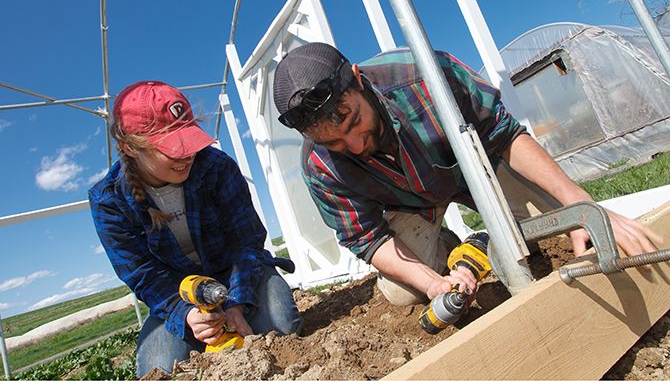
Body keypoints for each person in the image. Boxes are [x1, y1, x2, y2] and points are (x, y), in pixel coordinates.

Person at [272, 42, 663, 306]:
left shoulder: (425, 75)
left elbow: (505, 135)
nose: (356, 146)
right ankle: (450, 243)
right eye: (338, 143)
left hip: (482, 168)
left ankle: (504, 225)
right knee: (401, 294)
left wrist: (577, 202)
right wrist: (432, 283)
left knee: (574, 222)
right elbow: (368, 239)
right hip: (411, 207)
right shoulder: (319, 167)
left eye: (355, 122)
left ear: (358, 80)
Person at [89, 81, 303, 377]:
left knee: (280, 326)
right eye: (171, 148)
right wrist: (187, 315)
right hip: (179, 295)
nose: (186, 155)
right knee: (159, 369)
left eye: (188, 141)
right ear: (130, 148)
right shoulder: (108, 201)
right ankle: (201, 337)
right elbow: (142, 275)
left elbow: (247, 241)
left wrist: (237, 304)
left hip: (236, 273)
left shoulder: (215, 167)